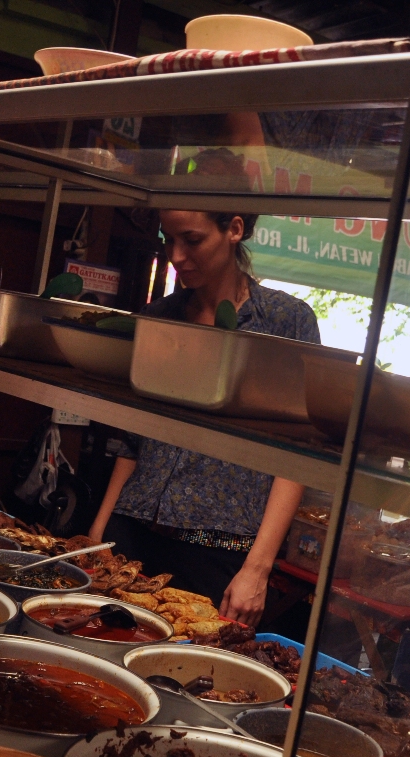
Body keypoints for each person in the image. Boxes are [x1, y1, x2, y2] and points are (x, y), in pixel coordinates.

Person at [87, 154, 317, 627]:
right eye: (168, 240)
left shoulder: (286, 321)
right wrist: (99, 532)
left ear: (234, 229)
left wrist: (258, 568)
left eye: (191, 240)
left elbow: (296, 457)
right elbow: (132, 440)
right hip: (130, 536)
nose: (176, 256)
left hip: (218, 550)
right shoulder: (159, 318)